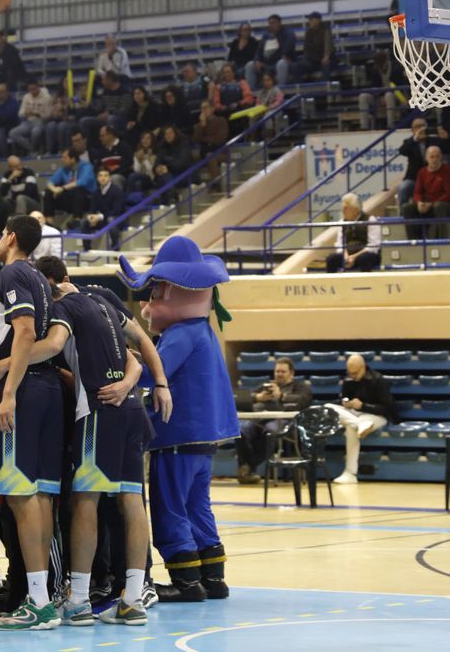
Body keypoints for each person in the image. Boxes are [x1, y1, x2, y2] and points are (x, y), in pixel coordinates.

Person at [32, 256, 167, 627]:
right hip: (130, 411)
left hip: (97, 410)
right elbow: (136, 354)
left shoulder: (64, 307)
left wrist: (10, 363)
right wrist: (143, 384)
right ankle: (134, 595)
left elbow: (54, 343)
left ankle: (77, 600)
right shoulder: (105, 305)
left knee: (85, 501)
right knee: (132, 500)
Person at [118, 235, 230, 604]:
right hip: (203, 438)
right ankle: (213, 578)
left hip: (177, 435)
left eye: (154, 293)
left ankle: (185, 582)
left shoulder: (181, 334)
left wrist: (127, 358)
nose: (149, 303)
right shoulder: (203, 332)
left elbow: (153, 374)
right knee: (198, 505)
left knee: (170, 507)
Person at [0, 215, 64, 629]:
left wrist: (8, 387)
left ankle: (37, 602)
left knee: (20, 495)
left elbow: (27, 333)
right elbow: (50, 343)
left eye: (0, 232)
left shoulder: (12, 271)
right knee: (42, 497)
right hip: (48, 392)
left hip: (25, 391)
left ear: (11, 237)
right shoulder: (41, 280)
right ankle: (44, 594)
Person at [233, 359, 312, 486]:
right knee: (239, 431)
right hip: (258, 421)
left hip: (284, 423)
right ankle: (246, 469)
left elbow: (302, 401)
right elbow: (241, 400)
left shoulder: (300, 387)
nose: (279, 374)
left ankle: (249, 467)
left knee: (271, 431)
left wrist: (281, 396)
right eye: (277, 371)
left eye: (283, 371)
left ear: (291, 373)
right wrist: (257, 397)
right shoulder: (266, 387)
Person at [327, 353, 395, 485]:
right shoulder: (348, 381)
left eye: (355, 373)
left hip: (376, 416)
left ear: (363, 367)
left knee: (351, 428)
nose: (352, 376)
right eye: (350, 373)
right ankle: (360, 425)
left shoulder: (378, 380)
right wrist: (345, 403)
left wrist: (364, 406)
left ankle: (350, 473)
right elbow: (343, 399)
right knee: (328, 407)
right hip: (355, 416)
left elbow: (387, 409)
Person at [401, 145, 450, 240]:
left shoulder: (448, 170)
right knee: (407, 208)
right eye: (432, 157)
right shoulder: (422, 172)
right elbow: (417, 192)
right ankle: (414, 241)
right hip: (427, 204)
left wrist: (431, 204)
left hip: (445, 204)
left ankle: (440, 240)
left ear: (441, 158)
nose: (434, 159)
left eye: (437, 156)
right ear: (426, 158)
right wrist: (419, 202)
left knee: (438, 207)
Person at [325, 193, 379, 273]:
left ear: (355, 209)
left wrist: (354, 257)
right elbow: (340, 243)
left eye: (345, 208)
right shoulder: (342, 222)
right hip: (348, 254)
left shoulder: (370, 220)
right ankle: (333, 284)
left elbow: (373, 245)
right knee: (331, 259)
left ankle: (365, 283)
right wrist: (346, 256)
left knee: (364, 259)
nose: (342, 211)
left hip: (366, 254)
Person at [44, 149, 94, 220]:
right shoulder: (63, 169)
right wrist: (54, 189)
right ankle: (49, 223)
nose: (62, 159)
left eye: (65, 157)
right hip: (70, 199)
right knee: (48, 192)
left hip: (86, 199)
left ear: (73, 159)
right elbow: (49, 181)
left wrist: (62, 188)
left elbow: (82, 182)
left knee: (78, 190)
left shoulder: (87, 167)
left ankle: (77, 221)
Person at [9, 81, 53, 156]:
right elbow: (20, 113)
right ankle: (32, 149)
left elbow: (49, 115)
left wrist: (38, 114)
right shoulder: (26, 97)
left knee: (35, 132)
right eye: (30, 89)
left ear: (38, 87)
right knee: (12, 133)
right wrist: (25, 113)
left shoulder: (47, 97)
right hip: (28, 121)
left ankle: (33, 151)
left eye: (34, 89)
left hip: (41, 121)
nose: (32, 91)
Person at [300, 12, 335, 82]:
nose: (309, 21)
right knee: (296, 66)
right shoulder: (308, 32)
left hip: (325, 59)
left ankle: (325, 86)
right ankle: (300, 88)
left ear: (317, 20)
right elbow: (306, 48)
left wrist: (326, 56)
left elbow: (328, 44)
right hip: (312, 60)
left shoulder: (326, 30)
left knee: (326, 64)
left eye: (311, 19)